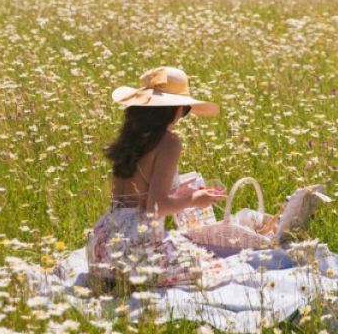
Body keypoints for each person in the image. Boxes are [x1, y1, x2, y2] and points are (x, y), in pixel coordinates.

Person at [87, 66, 231, 289]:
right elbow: (156, 208)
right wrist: (195, 200)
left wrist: (179, 192)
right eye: (184, 110)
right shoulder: (169, 143)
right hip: (138, 249)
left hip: (102, 246)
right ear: (171, 110)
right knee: (215, 266)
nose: (183, 115)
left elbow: (135, 198)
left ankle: (113, 280)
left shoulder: (128, 139)